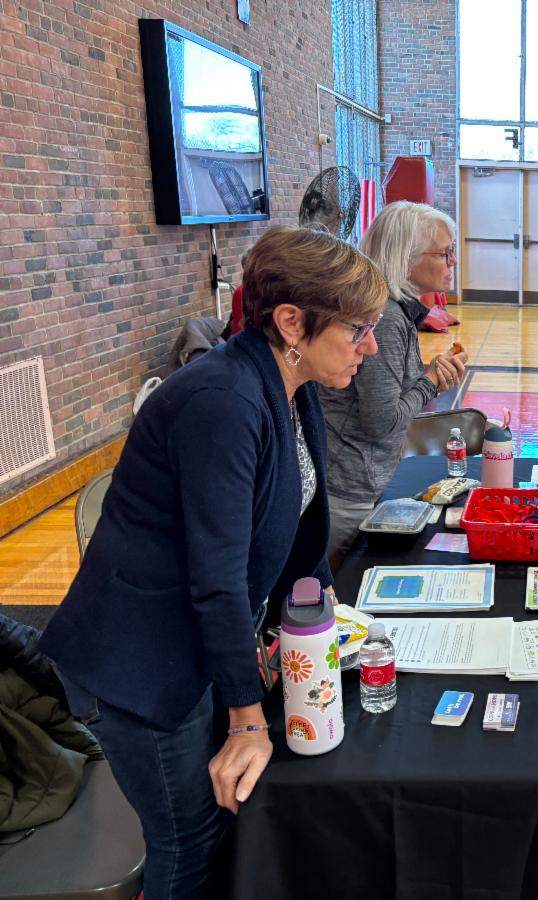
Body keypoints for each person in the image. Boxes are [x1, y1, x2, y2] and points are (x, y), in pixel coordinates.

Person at [39, 225, 389, 897]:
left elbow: (298, 521)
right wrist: (246, 719)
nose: (370, 345)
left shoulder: (290, 381)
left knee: (228, 820)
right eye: (359, 328)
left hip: (192, 642)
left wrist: (313, 624)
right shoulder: (222, 403)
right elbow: (217, 577)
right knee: (190, 838)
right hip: (140, 665)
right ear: (292, 322)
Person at [321, 202, 468, 568]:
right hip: (350, 491)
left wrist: (427, 376)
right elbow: (382, 420)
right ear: (407, 259)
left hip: (360, 481)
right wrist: (430, 381)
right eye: (445, 253)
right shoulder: (385, 320)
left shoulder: (394, 313)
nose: (452, 262)